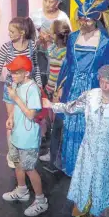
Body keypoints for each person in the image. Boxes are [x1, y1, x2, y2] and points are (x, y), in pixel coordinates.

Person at [43, 65, 109, 217]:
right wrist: (52, 105)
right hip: (88, 150)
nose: (105, 86)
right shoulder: (91, 96)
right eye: (102, 81)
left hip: (108, 153)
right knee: (85, 181)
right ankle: (83, 210)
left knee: (102, 182)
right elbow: (71, 107)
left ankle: (99, 213)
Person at [55, 0, 109, 176]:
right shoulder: (73, 38)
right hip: (73, 88)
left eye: (88, 20)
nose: (84, 23)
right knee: (71, 125)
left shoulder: (104, 43)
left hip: (93, 88)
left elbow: (108, 70)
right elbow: (67, 63)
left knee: (89, 127)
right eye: (81, 19)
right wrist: (60, 86)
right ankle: (72, 166)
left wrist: (107, 95)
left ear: (96, 19)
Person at [0, 17, 42, 168]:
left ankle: (25, 149)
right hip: (11, 90)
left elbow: (35, 67)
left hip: (28, 91)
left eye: (12, 31)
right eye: (9, 31)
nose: (9, 34)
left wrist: (39, 86)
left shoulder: (32, 46)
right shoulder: (6, 48)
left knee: (27, 120)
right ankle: (12, 153)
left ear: (22, 32)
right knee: (11, 121)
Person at [1, 56, 48, 217]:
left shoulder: (32, 89)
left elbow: (31, 114)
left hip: (28, 136)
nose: (12, 74)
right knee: (18, 163)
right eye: (12, 71)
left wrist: (15, 97)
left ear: (26, 73)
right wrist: (11, 118)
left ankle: (41, 200)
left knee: (29, 168)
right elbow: (16, 107)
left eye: (16, 72)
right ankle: (22, 190)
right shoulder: (17, 84)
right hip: (17, 133)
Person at [39, 20, 71, 167]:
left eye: (52, 32)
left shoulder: (66, 52)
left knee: (59, 124)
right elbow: (48, 52)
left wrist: (59, 89)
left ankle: (58, 155)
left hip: (58, 91)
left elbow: (64, 73)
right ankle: (53, 152)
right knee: (52, 122)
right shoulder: (55, 48)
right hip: (51, 88)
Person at [31, 0, 72, 87]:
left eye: (51, 2)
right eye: (45, 0)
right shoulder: (36, 14)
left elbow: (68, 36)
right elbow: (30, 33)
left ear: (57, 3)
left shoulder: (62, 17)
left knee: (52, 78)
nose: (47, 4)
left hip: (56, 56)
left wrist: (52, 38)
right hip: (38, 51)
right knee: (38, 76)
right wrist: (38, 37)